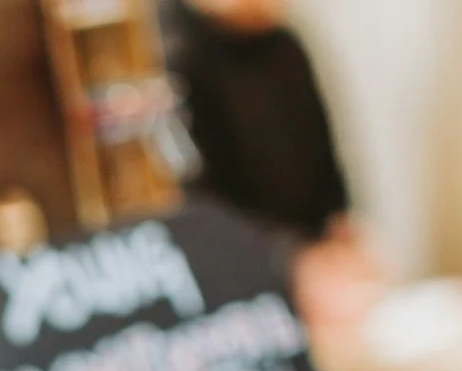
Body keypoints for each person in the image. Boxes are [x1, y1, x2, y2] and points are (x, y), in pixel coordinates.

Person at [162, 0, 381, 346]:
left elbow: (326, 163)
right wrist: (290, 263)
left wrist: (342, 234)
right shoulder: (174, 55)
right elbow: (195, 208)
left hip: (322, 284)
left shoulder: (285, 45)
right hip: (239, 296)